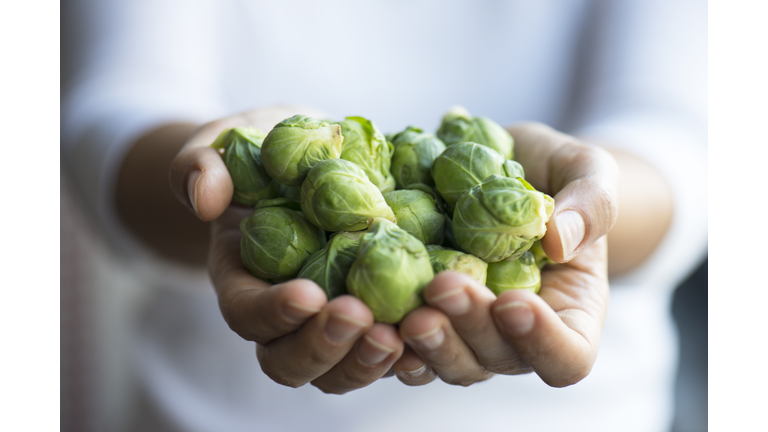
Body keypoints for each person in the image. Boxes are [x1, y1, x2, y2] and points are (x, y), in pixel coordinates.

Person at [61, 1, 707, 431]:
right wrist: (216, 187)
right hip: (211, 413)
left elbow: (688, 142)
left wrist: (586, 211)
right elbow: (109, 109)